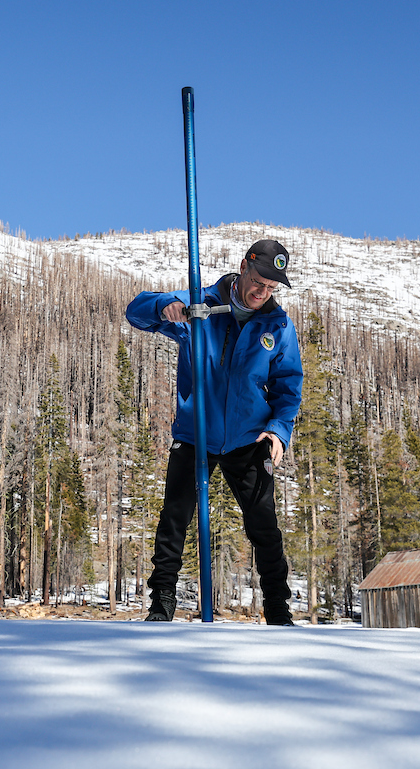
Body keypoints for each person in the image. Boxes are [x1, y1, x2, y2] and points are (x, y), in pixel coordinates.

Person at [126, 239, 304, 625]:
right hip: (196, 434)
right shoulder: (200, 304)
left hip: (249, 439)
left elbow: (289, 385)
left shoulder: (278, 325)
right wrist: (164, 307)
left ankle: (278, 609)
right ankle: (162, 603)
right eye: (258, 281)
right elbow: (136, 311)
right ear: (244, 267)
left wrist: (278, 431)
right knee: (175, 519)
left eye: (272, 288)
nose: (262, 292)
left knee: (264, 527)